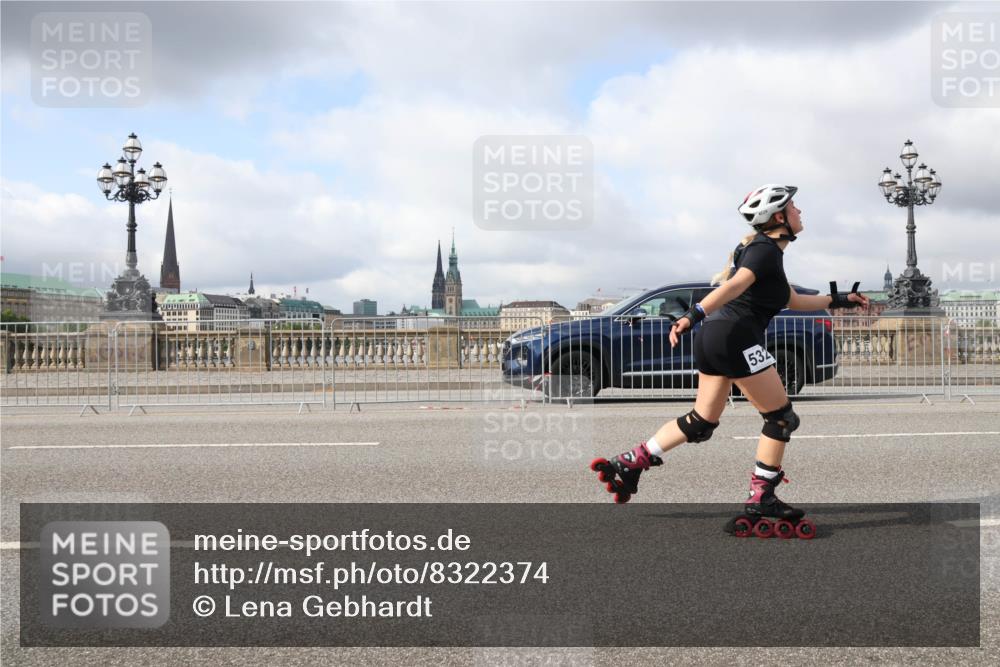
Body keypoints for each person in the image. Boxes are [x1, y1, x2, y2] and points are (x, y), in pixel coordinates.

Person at [590, 184, 869, 534]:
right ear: (779, 217)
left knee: (700, 421)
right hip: (733, 336)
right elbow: (735, 286)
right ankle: (761, 498)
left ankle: (632, 461)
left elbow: (793, 300)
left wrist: (842, 299)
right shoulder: (764, 251)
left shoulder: (765, 253)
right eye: (794, 207)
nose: (800, 212)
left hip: (714, 338)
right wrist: (693, 314)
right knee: (781, 419)